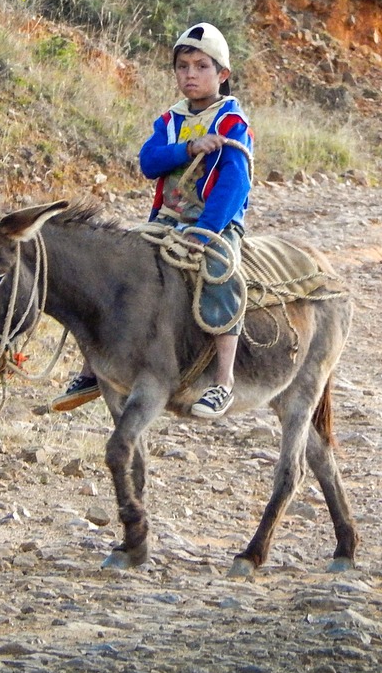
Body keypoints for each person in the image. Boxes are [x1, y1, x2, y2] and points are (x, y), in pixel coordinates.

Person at [53, 22, 253, 418]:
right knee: (111, 271)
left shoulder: (232, 122)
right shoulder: (170, 120)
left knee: (220, 277)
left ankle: (224, 380)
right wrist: (189, 147)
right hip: (164, 220)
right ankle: (93, 368)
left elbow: (235, 181)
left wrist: (208, 230)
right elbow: (149, 162)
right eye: (183, 66)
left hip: (213, 224)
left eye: (201, 66)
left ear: (222, 75)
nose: (190, 74)